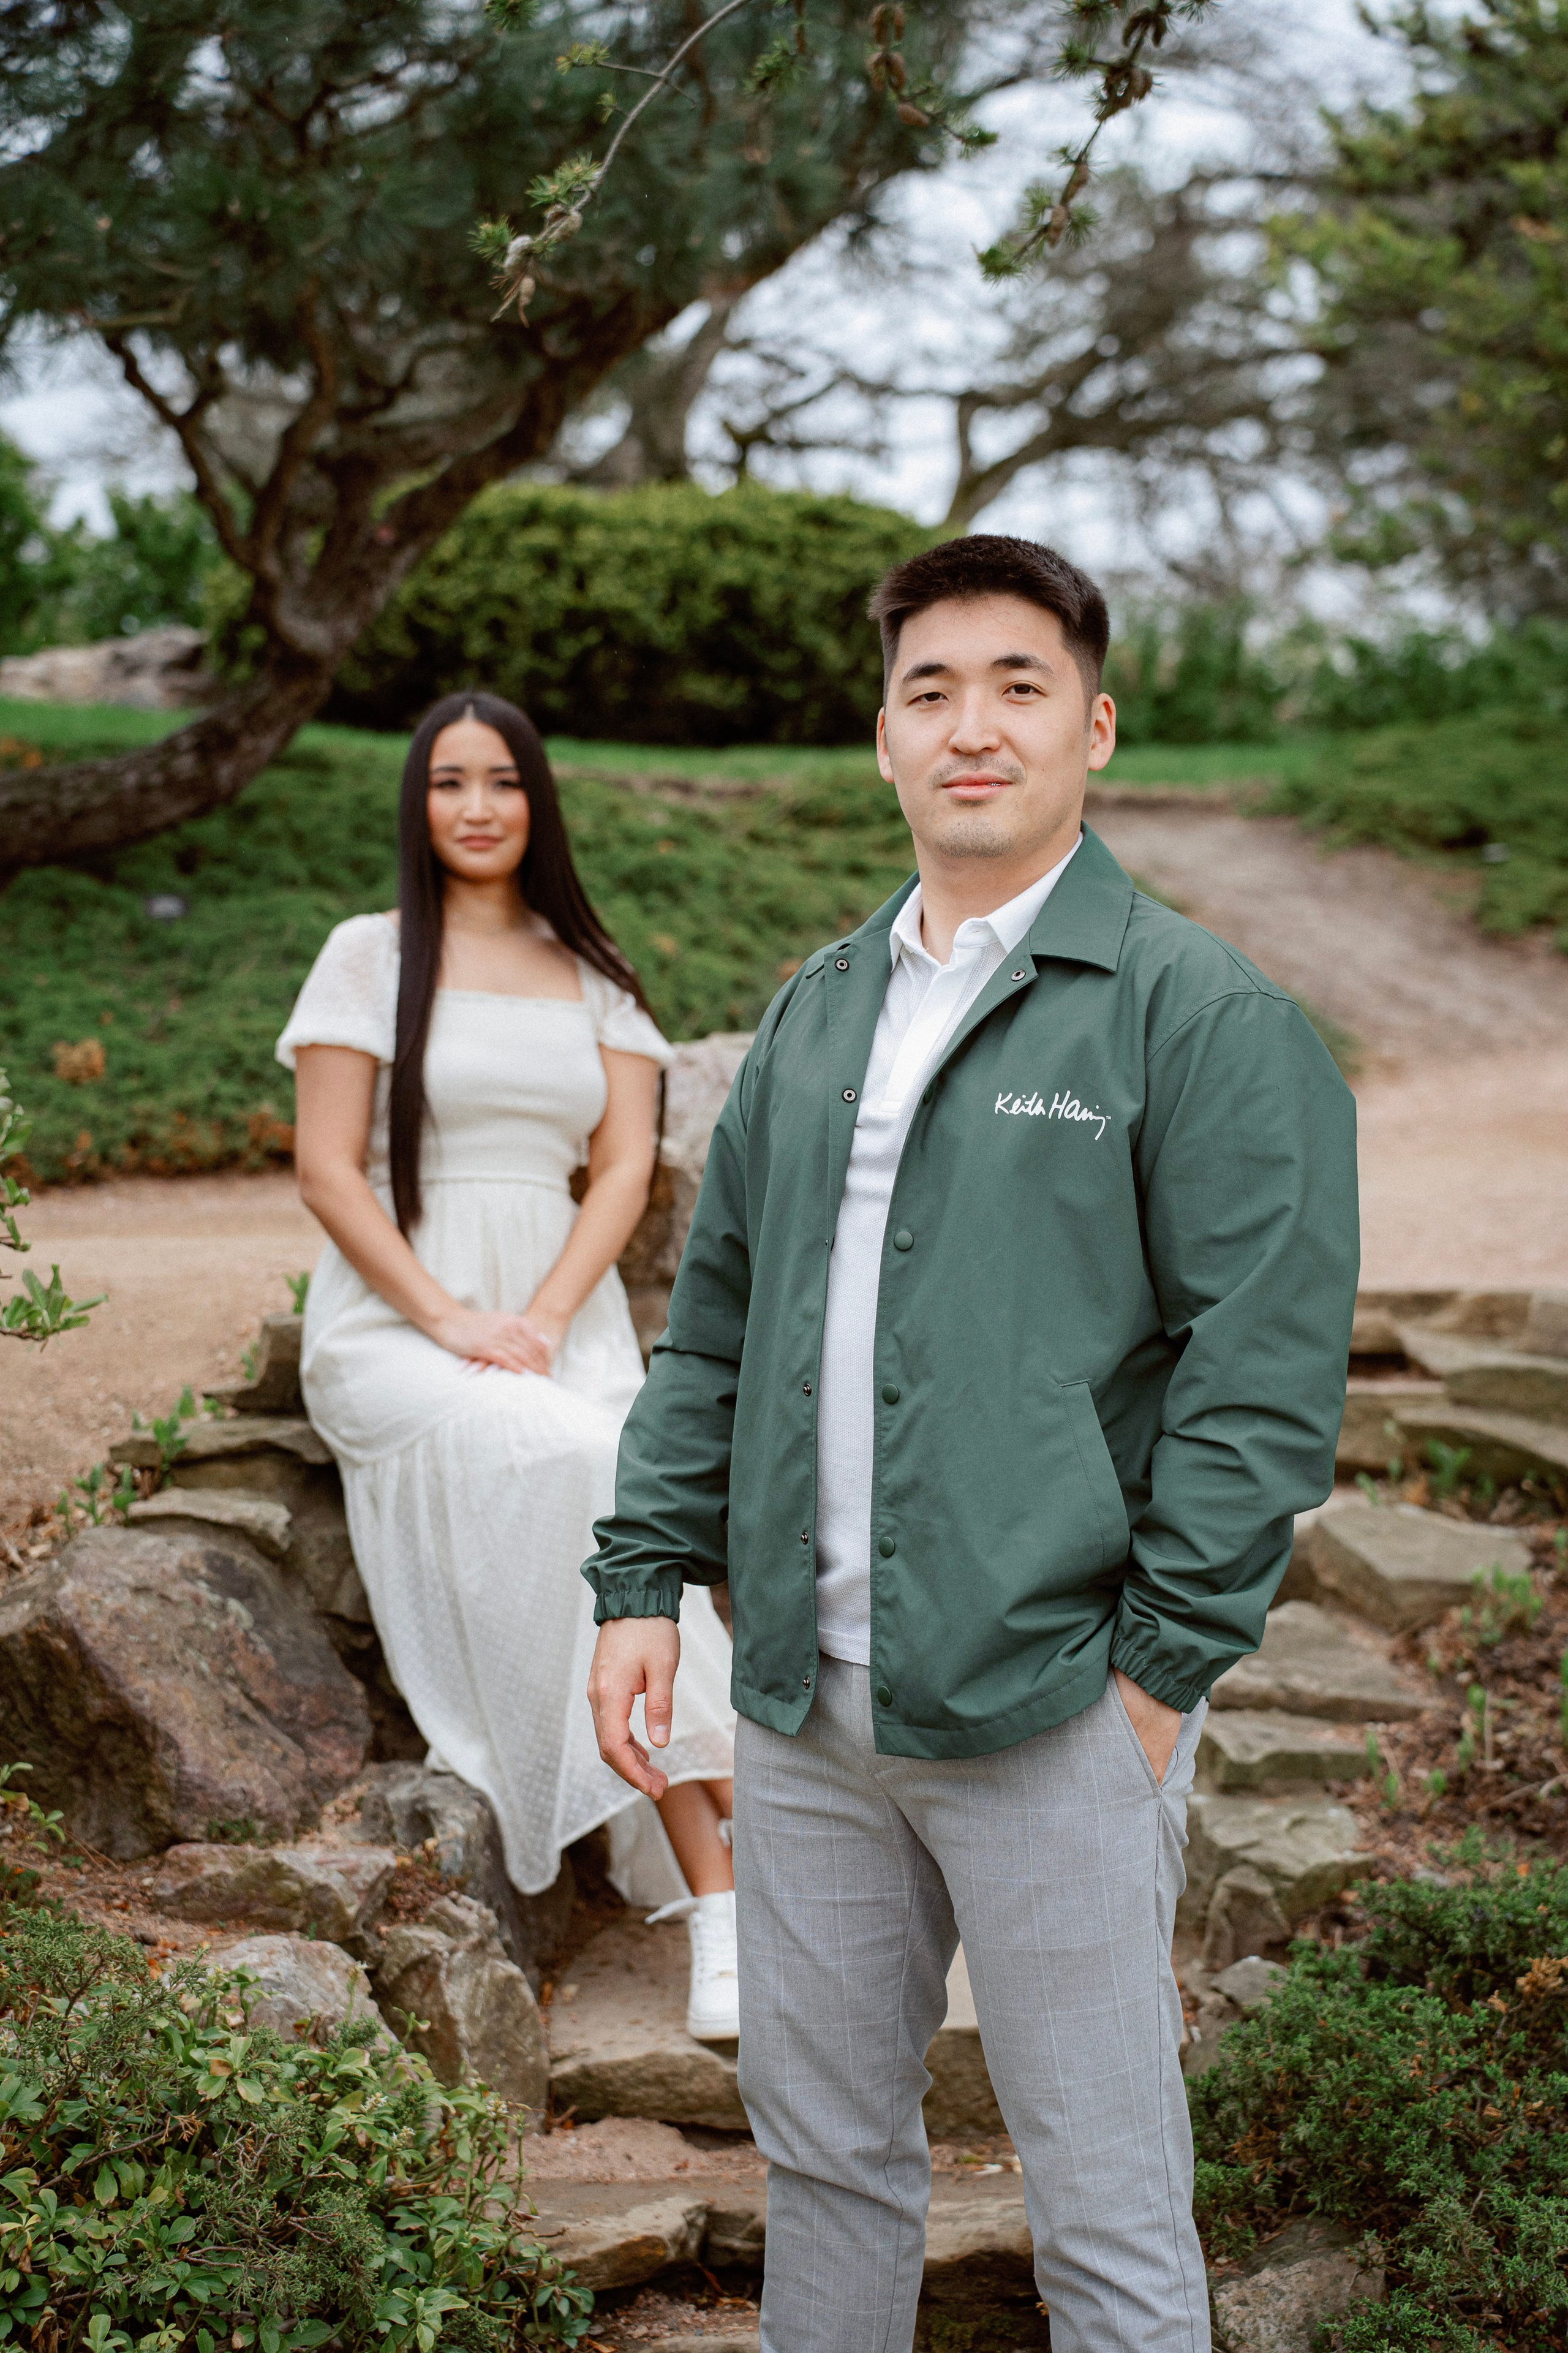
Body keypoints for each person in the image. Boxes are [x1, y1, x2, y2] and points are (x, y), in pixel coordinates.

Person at [581, 538, 1359, 2351]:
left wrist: (1158, 1675)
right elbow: (717, 1324)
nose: (973, 727)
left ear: (1096, 726)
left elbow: (1263, 1378)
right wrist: (641, 1577)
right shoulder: (815, 1011)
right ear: (881, 740)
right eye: (932, 691)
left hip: (1054, 1706)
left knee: (1104, 2212)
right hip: (799, 1709)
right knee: (832, 2172)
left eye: (1019, 686)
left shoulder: (1205, 1016)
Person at [277, 690, 740, 2039]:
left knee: (591, 1459)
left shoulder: (592, 970)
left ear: (537, 802)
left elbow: (624, 1166)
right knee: (571, 1460)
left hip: (560, 1323)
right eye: (446, 782)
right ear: (416, 805)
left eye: (502, 781)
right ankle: (724, 1890)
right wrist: (446, 1320)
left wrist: (537, 1316)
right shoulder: (367, 957)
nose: (476, 805)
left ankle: (718, 1882)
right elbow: (323, 1166)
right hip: (393, 1330)